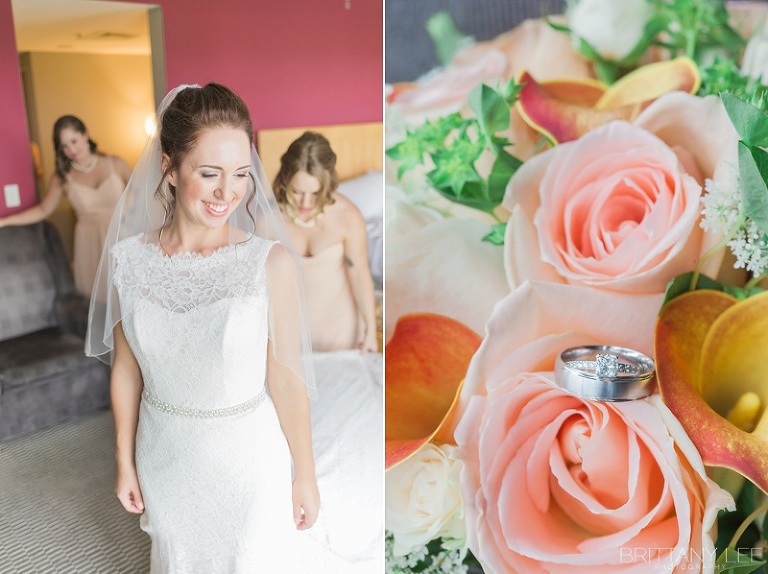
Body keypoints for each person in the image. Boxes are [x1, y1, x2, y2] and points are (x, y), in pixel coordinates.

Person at [85, 83, 353, 573]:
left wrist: (305, 475)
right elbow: (126, 372)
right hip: (164, 456)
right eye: (209, 174)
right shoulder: (129, 261)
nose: (228, 192)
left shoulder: (268, 264)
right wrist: (124, 460)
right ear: (169, 167)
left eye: (241, 175)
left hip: (247, 464)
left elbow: (287, 379)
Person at [0, 115, 132, 295]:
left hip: (123, 237)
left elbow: (142, 194)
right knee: (103, 300)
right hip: (90, 245)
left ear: (85, 135)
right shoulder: (63, 177)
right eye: (64, 146)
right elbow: (43, 209)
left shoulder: (115, 164)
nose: (71, 150)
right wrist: (4, 222)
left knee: (130, 295)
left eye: (74, 141)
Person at [273, 132, 378, 352]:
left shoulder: (348, 216)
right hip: (288, 332)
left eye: (315, 193)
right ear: (284, 180)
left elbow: (359, 272)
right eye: (296, 192)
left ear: (328, 182)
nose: (306, 203)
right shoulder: (267, 219)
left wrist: (370, 329)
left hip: (340, 329)